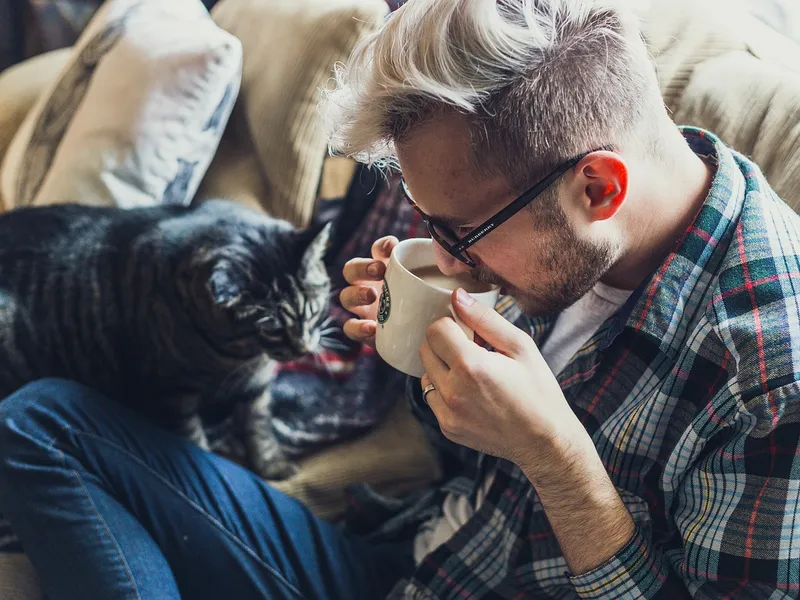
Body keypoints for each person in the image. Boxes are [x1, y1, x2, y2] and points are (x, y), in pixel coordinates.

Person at [1, 0, 799, 598]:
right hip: (419, 566)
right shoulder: (565, 238)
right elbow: (469, 464)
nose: (447, 256)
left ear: (597, 186)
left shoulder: (772, 377)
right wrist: (424, 359)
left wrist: (557, 462)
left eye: (458, 230)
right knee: (38, 423)